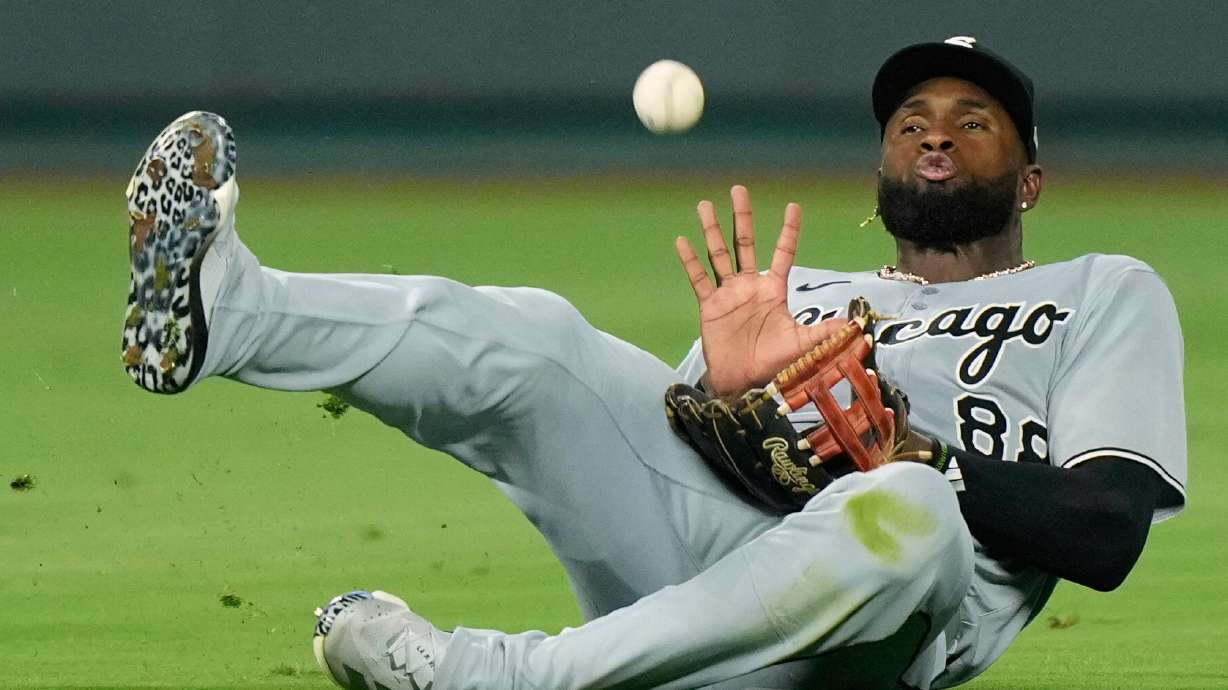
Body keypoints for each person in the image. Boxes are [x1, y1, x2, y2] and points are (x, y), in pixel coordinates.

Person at [121, 37, 1186, 689]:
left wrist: (917, 455)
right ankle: (236, 315)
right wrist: (718, 398)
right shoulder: (801, 296)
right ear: (879, 167)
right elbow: (673, 481)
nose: (934, 136)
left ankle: (485, 678)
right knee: (539, 338)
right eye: (910, 121)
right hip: (707, 599)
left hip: (885, 632)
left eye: (973, 121)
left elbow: (1102, 534)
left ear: (1031, 178)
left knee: (901, 504)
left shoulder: (1100, 289)